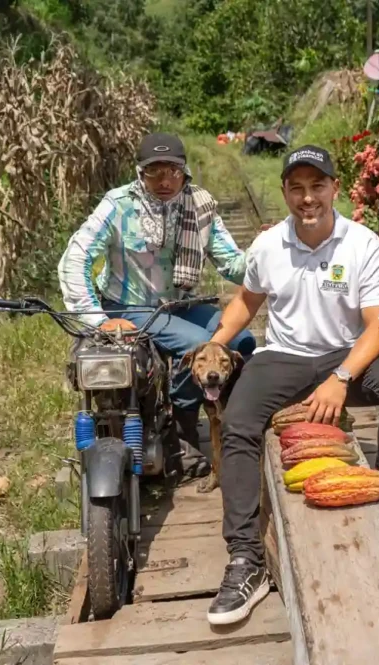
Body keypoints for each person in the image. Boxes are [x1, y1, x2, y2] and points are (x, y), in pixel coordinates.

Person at [203, 145, 379, 626]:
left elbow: (377, 326)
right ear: (284, 191)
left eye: (317, 186)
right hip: (282, 356)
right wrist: (215, 341)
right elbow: (247, 301)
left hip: (347, 354)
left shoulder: (361, 245)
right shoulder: (267, 245)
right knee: (238, 423)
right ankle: (245, 558)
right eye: (297, 188)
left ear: (334, 189)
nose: (307, 198)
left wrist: (341, 378)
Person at [57, 132, 257, 459]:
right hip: (130, 307)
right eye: (155, 171)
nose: (165, 180)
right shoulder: (118, 205)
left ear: (185, 172)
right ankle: (184, 436)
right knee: (195, 345)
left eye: (173, 171)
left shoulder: (200, 204)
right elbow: (75, 258)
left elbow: (233, 265)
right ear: (141, 173)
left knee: (242, 340)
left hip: (179, 304)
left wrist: (265, 250)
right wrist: (96, 319)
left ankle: (231, 419)